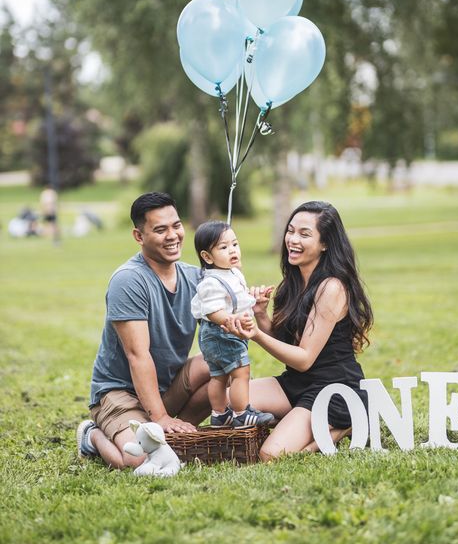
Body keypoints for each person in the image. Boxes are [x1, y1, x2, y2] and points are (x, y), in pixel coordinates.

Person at [227, 201, 373, 461]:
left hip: (334, 388)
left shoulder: (332, 288)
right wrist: (261, 315)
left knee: (270, 454)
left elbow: (304, 359)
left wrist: (256, 335)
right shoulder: (291, 284)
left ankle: (339, 428)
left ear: (325, 243)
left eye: (304, 234)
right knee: (231, 399)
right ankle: (296, 420)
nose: (293, 239)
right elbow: (288, 347)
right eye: (291, 231)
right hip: (296, 383)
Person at [76, 192, 211, 469]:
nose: (172, 235)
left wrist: (244, 302)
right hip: (121, 393)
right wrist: (160, 417)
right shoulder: (128, 281)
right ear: (139, 236)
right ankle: (92, 436)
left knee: (215, 364)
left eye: (176, 225)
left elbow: (223, 334)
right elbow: (138, 355)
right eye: (160, 230)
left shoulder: (195, 277)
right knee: (139, 458)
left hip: (165, 388)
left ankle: (164, 433)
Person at [191, 221, 274, 428]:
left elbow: (237, 298)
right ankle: (241, 413)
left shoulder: (232, 273)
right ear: (207, 257)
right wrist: (230, 320)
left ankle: (220, 415)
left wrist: (255, 297)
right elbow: (212, 310)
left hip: (220, 334)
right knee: (240, 373)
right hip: (223, 332)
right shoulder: (210, 282)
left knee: (218, 375)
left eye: (235, 244)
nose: (233, 250)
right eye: (223, 247)